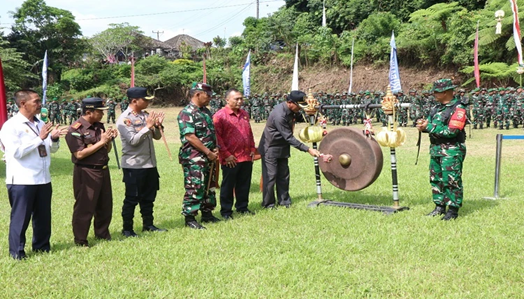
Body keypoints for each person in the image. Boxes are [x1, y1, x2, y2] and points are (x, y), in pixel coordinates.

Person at [0, 90, 65, 259]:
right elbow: (16, 152)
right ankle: (17, 252)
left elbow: (50, 148)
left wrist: (54, 139)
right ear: (23, 104)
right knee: (21, 218)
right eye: (36, 101)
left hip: (43, 178)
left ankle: (42, 247)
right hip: (22, 179)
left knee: (43, 217)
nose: (39, 104)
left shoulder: (39, 123)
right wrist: (40, 138)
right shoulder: (11, 126)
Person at [65, 98, 117, 246]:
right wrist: (101, 141)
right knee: (85, 206)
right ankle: (81, 239)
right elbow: (79, 154)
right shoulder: (75, 129)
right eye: (100, 111)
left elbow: (105, 150)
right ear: (89, 112)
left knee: (105, 205)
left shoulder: (99, 126)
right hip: (86, 172)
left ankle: (102, 234)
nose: (102, 114)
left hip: (103, 169)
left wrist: (108, 140)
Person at [117, 87, 166, 237]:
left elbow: (156, 137)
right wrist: (148, 127)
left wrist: (157, 126)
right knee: (132, 198)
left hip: (149, 164)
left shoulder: (145, 116)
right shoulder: (125, 119)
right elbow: (133, 141)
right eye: (145, 100)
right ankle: (127, 229)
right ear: (134, 101)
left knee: (149, 196)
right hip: (134, 165)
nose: (148, 102)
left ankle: (148, 224)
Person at [258, 90, 320, 209]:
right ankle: (268, 204)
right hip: (270, 148)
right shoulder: (279, 115)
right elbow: (289, 137)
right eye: (299, 106)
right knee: (270, 176)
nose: (300, 109)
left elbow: (302, 118)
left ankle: (284, 201)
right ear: (290, 102)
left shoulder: (292, 110)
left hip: (282, 148)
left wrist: (313, 114)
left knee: (283, 176)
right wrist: (308, 149)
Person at [416, 79, 467, 220]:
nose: (433, 94)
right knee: (436, 179)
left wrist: (430, 127)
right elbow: (430, 125)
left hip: (452, 149)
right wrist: (423, 126)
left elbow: (452, 131)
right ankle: (439, 206)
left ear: (445, 92)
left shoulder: (459, 109)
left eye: (436, 92)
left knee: (451, 180)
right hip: (436, 149)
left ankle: (453, 210)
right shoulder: (436, 108)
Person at [178, 82, 220, 229]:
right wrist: (207, 152)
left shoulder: (205, 112)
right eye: (207, 95)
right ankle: (190, 217)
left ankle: (207, 213)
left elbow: (210, 133)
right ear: (197, 94)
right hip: (194, 157)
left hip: (209, 156)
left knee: (209, 185)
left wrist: (214, 150)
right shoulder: (186, 113)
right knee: (195, 185)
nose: (210, 98)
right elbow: (190, 136)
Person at [213, 89, 256, 220]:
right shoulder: (219, 116)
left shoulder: (244, 114)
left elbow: (249, 132)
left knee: (244, 183)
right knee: (228, 184)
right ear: (227, 100)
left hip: (245, 155)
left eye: (241, 99)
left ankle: (242, 207)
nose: (239, 101)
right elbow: (217, 137)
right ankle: (226, 211)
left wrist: (253, 149)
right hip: (230, 157)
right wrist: (226, 154)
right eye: (236, 99)